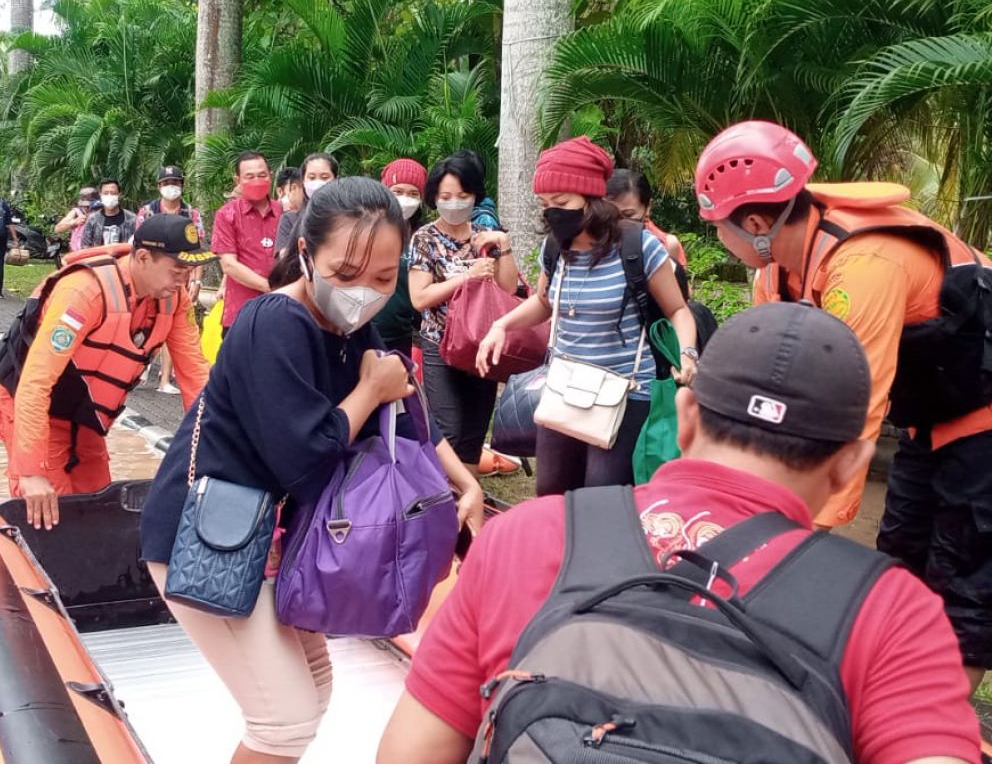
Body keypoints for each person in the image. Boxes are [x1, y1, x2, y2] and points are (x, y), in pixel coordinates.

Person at [379, 302, 981, 764]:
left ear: (687, 417)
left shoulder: (528, 536)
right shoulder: (892, 613)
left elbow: (409, 753)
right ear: (853, 462)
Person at [139, 177, 483, 764]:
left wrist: (464, 481)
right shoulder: (275, 323)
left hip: (272, 537)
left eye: (383, 278)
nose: (364, 293)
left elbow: (407, 407)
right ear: (305, 254)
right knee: (283, 718)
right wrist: (371, 390)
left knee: (315, 689)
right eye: (346, 274)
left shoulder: (350, 328)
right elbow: (306, 453)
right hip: (207, 534)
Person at [695, 119, 992, 692]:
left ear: (755, 223)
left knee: (963, 592)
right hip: (928, 426)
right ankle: (883, 693)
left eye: (717, 229)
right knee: (899, 561)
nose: (718, 240)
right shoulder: (777, 273)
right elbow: (772, 385)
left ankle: (935, 724)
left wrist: (802, 531)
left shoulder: (865, 266)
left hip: (981, 428)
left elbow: (856, 406)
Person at [477, 138, 697, 492]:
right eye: (545, 204)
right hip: (564, 388)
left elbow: (678, 310)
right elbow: (544, 302)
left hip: (625, 394)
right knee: (552, 493)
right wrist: (502, 324)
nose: (552, 212)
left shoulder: (638, 246)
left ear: (592, 199)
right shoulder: (555, 248)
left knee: (602, 497)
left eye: (561, 202)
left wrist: (687, 354)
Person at [0, 214, 213, 530]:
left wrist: (211, 454)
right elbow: (35, 381)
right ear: (142, 258)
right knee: (50, 520)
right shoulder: (84, 291)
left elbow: (196, 378)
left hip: (86, 419)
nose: (183, 280)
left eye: (188, 272)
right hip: (30, 410)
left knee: (101, 513)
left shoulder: (173, 301)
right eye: (177, 270)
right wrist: (31, 470)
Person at [408, 152, 519, 477]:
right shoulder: (425, 238)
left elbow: (509, 289)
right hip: (440, 344)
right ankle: (441, 499)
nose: (454, 203)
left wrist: (504, 246)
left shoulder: (485, 237)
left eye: (462, 196)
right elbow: (420, 297)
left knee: (473, 432)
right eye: (445, 197)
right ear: (434, 198)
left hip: (481, 345)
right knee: (448, 430)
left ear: (475, 196)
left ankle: (468, 504)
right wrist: (465, 278)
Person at [136, 165, 207, 392]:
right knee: (147, 325)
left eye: (175, 183)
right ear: (159, 187)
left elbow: (198, 252)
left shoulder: (191, 215)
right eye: (167, 184)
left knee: (176, 330)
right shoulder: (147, 212)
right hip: (152, 281)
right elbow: (139, 248)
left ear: (182, 186)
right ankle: (138, 369)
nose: (171, 188)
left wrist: (195, 281)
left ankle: (165, 378)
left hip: (181, 283)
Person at [210, 150, 283, 337]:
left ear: (271, 176)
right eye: (249, 176)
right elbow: (229, 265)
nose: (257, 180)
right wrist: (271, 288)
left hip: (282, 313)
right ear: (237, 181)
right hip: (240, 315)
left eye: (262, 175)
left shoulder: (285, 213)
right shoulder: (227, 215)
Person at [371, 157, 426, 357]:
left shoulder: (423, 236)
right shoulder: (368, 229)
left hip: (404, 335)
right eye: (398, 191)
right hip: (367, 330)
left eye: (413, 193)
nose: (405, 198)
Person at [606, 168, 688, 266]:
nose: (618, 223)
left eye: (628, 215)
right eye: (610, 215)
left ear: (648, 207)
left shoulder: (667, 246)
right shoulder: (588, 245)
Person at [276, 153, 338, 255]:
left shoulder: (346, 216)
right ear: (303, 181)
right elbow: (284, 260)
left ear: (336, 179)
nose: (318, 182)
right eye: (312, 177)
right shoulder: (290, 220)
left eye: (324, 177)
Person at [80, 178, 137, 249]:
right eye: (106, 193)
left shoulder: (132, 219)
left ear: (119, 194)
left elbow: (137, 245)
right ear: (100, 194)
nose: (109, 196)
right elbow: (85, 246)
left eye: (113, 193)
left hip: (125, 259)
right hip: (98, 258)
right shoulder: (92, 220)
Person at [55, 186, 99, 252]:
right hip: (77, 251)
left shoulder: (102, 212)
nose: (87, 208)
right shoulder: (76, 212)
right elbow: (57, 229)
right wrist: (74, 222)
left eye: (89, 206)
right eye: (84, 206)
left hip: (96, 250)